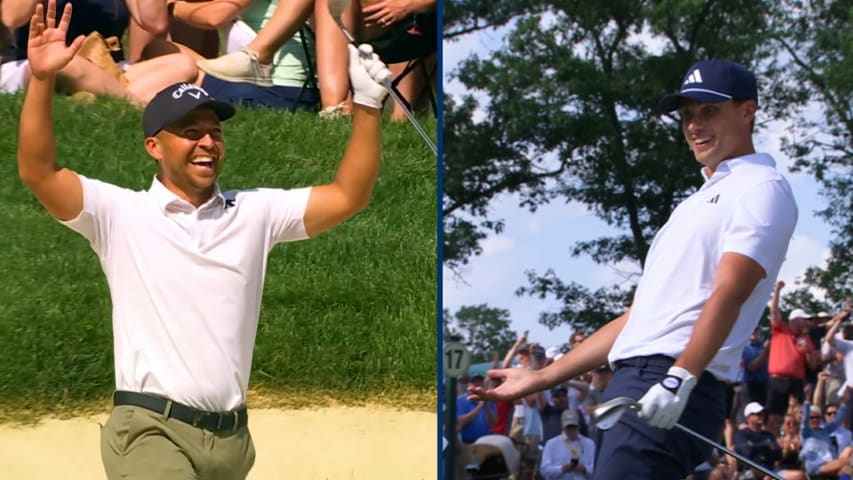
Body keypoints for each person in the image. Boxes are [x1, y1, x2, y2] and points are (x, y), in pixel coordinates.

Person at [17, 2, 392, 478]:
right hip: (150, 431)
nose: (208, 143)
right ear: (154, 146)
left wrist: (367, 106)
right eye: (190, 133)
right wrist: (44, 80)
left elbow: (348, 195)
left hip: (233, 442)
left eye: (214, 133)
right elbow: (38, 171)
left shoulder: (254, 212)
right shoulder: (120, 214)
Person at [469, 59, 799, 480]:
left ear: (747, 111)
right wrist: (542, 377)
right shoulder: (695, 203)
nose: (694, 125)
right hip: (638, 381)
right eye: (687, 115)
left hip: (672, 377)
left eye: (709, 111)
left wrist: (680, 378)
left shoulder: (761, 187)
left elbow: (730, 292)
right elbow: (635, 320)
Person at [767, 280, 820, 436]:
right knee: (773, 417)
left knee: (797, 416)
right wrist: (777, 290)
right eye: (805, 319)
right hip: (777, 380)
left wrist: (808, 352)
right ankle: (772, 447)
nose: (808, 323)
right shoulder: (781, 330)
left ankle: (794, 447)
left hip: (796, 382)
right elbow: (774, 310)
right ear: (795, 320)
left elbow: (813, 365)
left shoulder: (806, 339)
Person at [539, 409, 595, 480]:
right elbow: (544, 470)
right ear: (562, 426)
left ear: (578, 426)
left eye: (573, 426)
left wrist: (584, 468)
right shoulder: (551, 444)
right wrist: (561, 469)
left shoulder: (589, 444)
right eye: (568, 427)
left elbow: (597, 468)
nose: (571, 429)